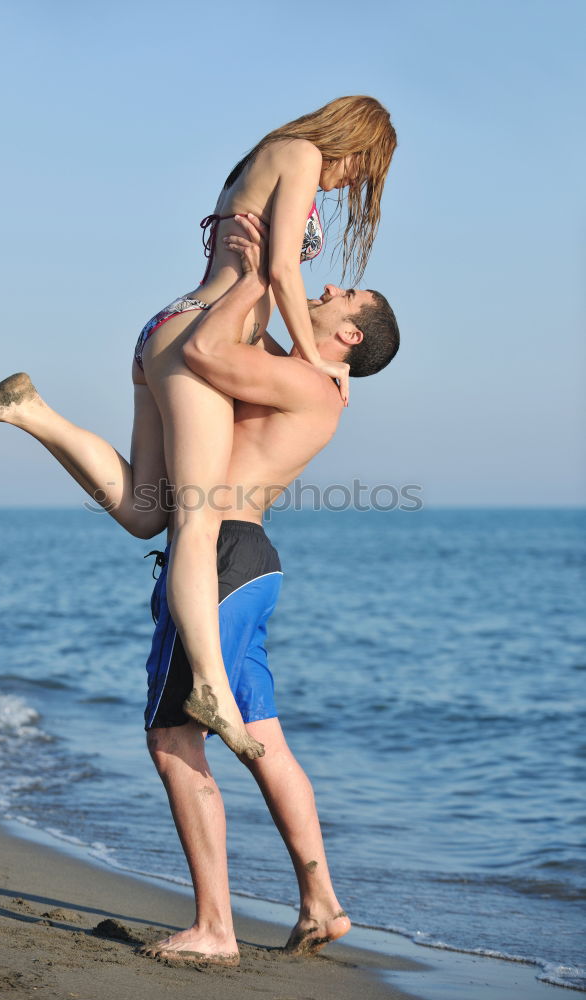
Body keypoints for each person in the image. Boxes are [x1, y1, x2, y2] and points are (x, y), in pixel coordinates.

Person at [138, 215, 399, 964]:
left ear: (351, 336)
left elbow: (206, 350)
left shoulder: (305, 379)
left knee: (174, 735)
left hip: (218, 559)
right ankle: (322, 901)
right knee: (266, 745)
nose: (325, 287)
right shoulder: (313, 379)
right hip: (251, 563)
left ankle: (216, 927)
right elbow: (256, 353)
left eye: (343, 295)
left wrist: (259, 267)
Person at [131, 96, 397, 760]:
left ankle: (31, 411)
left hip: (186, 322)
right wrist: (314, 365)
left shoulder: (266, 157)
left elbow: (267, 279)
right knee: (197, 517)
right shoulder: (302, 154)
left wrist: (291, 357)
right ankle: (212, 690)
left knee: (145, 508)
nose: (351, 185)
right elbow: (279, 272)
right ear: (353, 143)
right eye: (362, 171)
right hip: (201, 335)